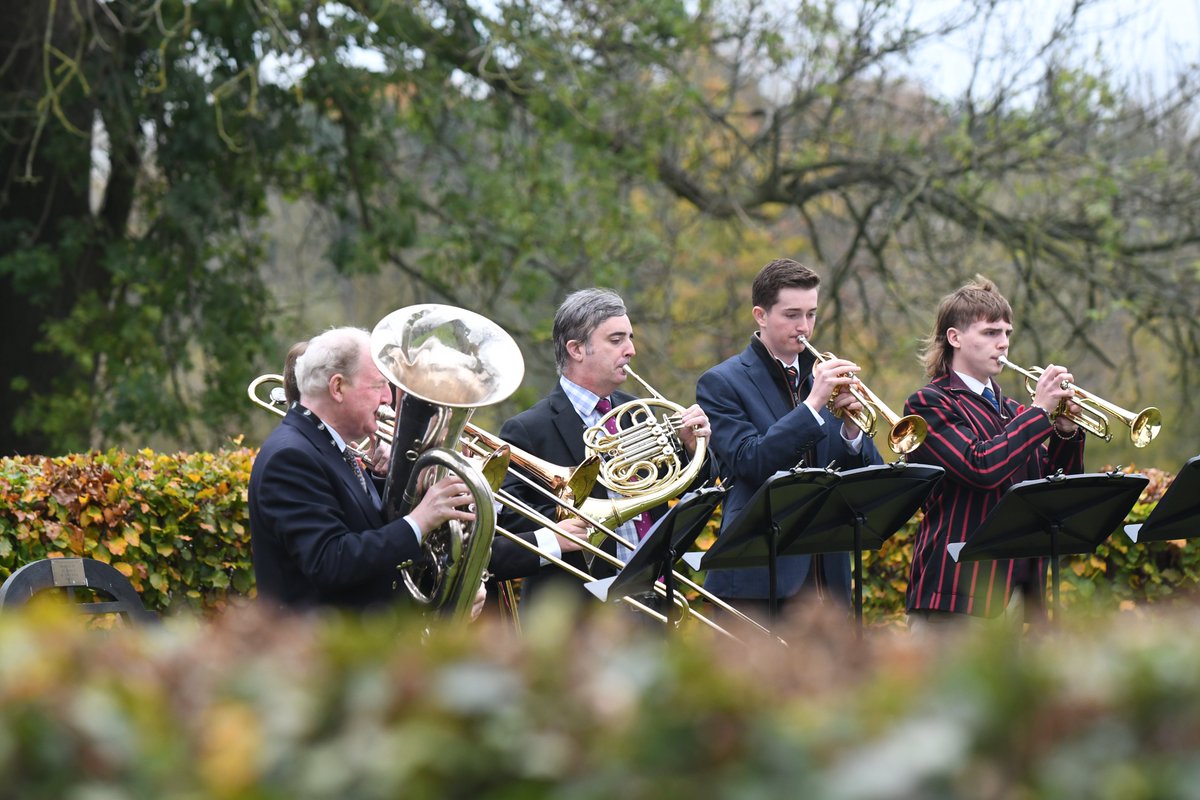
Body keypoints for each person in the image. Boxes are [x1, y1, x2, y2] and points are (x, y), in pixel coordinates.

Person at [487, 288, 711, 611]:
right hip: (578, 615)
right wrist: (571, 521)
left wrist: (693, 449)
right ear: (577, 349)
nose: (631, 350)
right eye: (616, 339)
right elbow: (509, 523)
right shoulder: (526, 429)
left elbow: (690, 487)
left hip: (655, 605)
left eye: (630, 338)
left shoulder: (635, 411)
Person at [696, 258, 884, 623]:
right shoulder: (721, 382)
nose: (805, 328)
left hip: (826, 583)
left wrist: (851, 430)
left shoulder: (823, 380)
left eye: (812, 314)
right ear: (760, 315)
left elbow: (869, 479)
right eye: (792, 315)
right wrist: (814, 405)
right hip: (758, 578)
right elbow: (750, 461)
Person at [249, 326, 480, 613]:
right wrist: (421, 520)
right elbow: (329, 561)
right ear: (337, 387)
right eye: (378, 385)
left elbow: (355, 522)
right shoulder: (291, 456)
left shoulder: (323, 443)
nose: (388, 398)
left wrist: (412, 485)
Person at [903, 276, 1084, 627]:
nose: (1002, 344)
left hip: (1018, 596)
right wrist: (1040, 413)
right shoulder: (929, 403)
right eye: (990, 333)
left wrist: (1065, 433)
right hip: (955, 594)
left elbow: (1056, 492)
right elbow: (980, 466)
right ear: (954, 338)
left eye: (1007, 334)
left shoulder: (1015, 411)